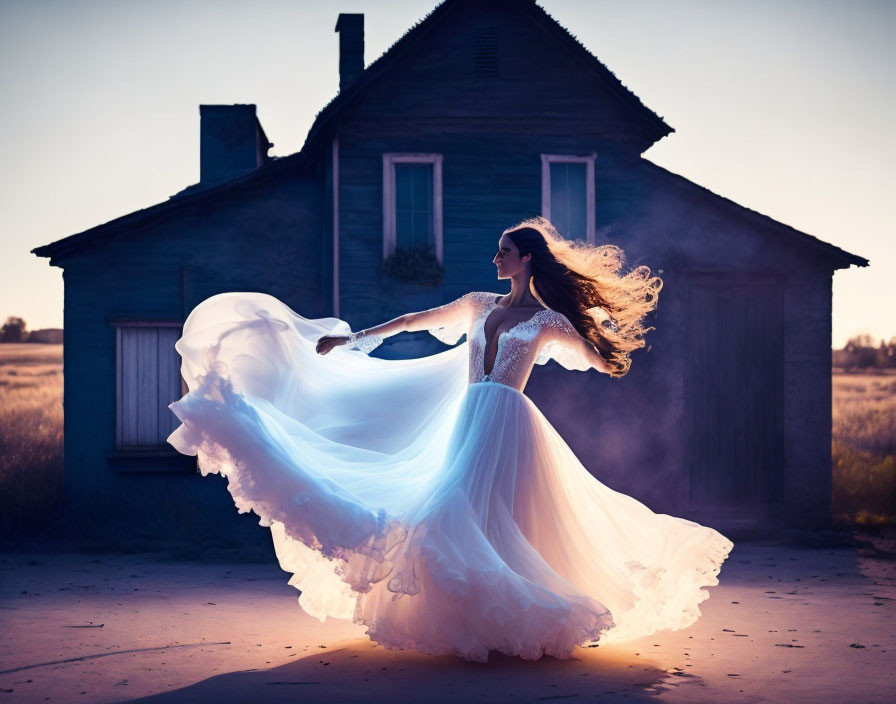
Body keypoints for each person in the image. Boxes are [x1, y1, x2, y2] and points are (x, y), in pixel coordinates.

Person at [167, 215, 734, 663]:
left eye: (504, 252)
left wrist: (608, 348)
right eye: (497, 252)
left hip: (509, 422)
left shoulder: (549, 321)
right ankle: (477, 623)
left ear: (526, 259)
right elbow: (416, 319)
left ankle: (514, 621)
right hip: (470, 414)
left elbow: (600, 360)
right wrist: (355, 340)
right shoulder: (479, 304)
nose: (495, 258)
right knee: (457, 513)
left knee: (494, 518)